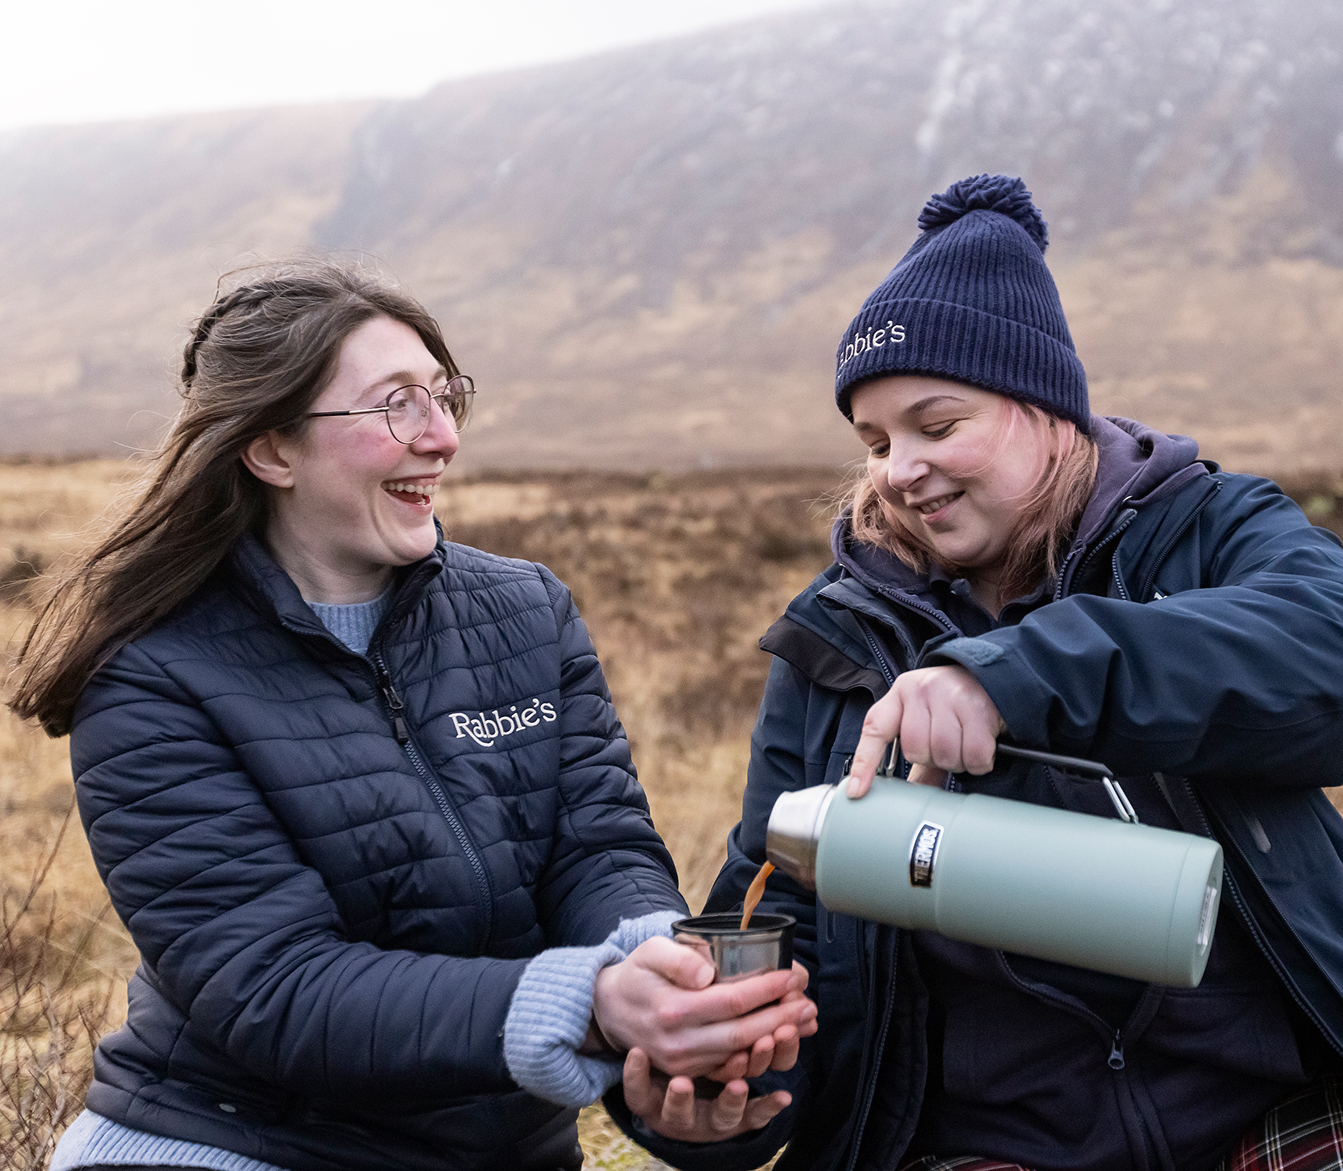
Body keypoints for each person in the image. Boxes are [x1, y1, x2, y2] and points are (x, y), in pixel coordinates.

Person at [605, 176, 1343, 1170]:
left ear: (1045, 409)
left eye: (937, 425)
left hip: (1269, 1115)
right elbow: (776, 907)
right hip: (992, 1144)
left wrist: (1015, 674)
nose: (897, 468)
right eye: (877, 441)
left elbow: (1338, 659)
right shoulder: (835, 643)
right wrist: (710, 1086)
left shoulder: (1205, 530)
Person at [8, 261, 813, 1171]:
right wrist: (592, 1001)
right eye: (397, 404)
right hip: (232, 1144)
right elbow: (278, 986)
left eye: (445, 397)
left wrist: (665, 987)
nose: (442, 438)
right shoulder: (155, 674)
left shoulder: (526, 609)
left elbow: (599, 851)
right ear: (273, 449)